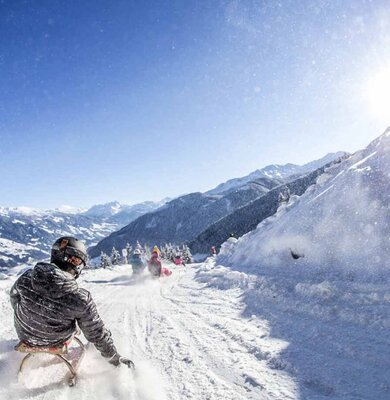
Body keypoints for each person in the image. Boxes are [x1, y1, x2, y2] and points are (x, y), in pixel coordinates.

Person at [10, 236, 134, 369]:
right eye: (76, 260)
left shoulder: (26, 278)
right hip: (56, 340)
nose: (77, 265)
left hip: (24, 335)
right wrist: (114, 358)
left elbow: (14, 299)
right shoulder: (80, 298)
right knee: (80, 323)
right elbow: (97, 333)